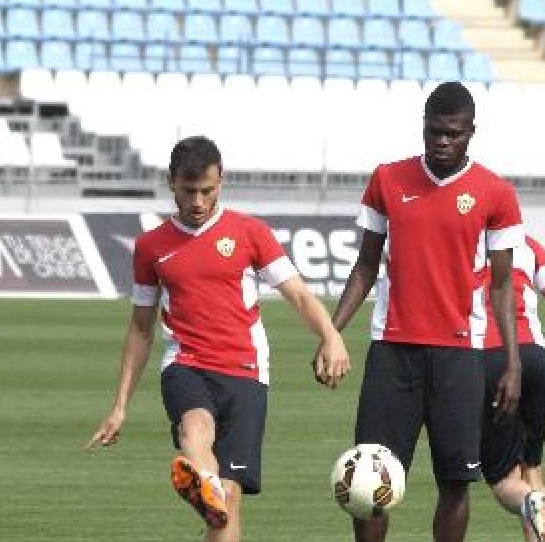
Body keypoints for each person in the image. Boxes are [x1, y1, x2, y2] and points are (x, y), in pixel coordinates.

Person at [86, 136, 350, 542]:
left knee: (227, 502)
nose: (197, 201)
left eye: (206, 191)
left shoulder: (250, 232)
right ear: (171, 182)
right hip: (185, 364)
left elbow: (297, 293)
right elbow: (140, 328)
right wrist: (119, 406)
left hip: (246, 371)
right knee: (195, 430)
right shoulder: (151, 247)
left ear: (221, 180)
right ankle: (203, 485)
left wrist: (331, 336)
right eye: (188, 191)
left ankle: (209, 493)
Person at [329, 81, 545, 542]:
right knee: (367, 477)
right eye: (434, 131)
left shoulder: (496, 192)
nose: (442, 141)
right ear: (423, 127)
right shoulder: (387, 179)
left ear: (471, 132)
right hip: (392, 352)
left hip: (460, 358)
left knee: (456, 483)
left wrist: (512, 363)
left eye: (453, 133)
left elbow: (500, 286)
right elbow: (366, 265)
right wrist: (332, 332)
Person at [474, 233, 545, 541]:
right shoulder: (526, 243)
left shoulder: (459, 237)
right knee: (531, 468)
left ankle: (528, 502)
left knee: (502, 479)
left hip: (490, 357)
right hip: (535, 358)